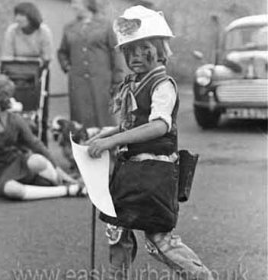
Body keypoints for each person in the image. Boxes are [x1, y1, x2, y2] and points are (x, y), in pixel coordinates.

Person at [87, 6, 213, 280]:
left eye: (142, 49)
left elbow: (158, 126)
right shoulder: (135, 83)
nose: (134, 57)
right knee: (117, 232)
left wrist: (114, 140)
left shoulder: (162, 84)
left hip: (154, 173)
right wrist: (104, 136)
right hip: (128, 172)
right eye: (128, 50)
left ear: (158, 48)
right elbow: (131, 124)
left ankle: (202, 277)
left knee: (159, 239)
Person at [0, 74, 86, 200]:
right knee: (13, 190)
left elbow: (36, 144)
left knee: (37, 160)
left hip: (15, 161)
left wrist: (57, 168)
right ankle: (65, 190)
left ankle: (65, 182)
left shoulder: (15, 120)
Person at [57, 0, 125, 128]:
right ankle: (82, 147)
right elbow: (62, 52)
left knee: (105, 120)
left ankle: (108, 146)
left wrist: (117, 81)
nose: (73, 6)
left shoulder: (106, 25)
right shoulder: (69, 27)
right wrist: (68, 68)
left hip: (101, 82)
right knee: (80, 123)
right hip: (78, 84)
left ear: (87, 3)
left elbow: (116, 53)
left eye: (76, 2)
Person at [2, 2, 54, 146]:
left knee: (40, 109)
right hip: (15, 75)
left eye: (22, 15)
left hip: (38, 75)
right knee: (14, 108)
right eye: (16, 15)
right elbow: (7, 57)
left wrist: (32, 65)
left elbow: (47, 57)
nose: (18, 18)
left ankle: (41, 141)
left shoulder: (44, 31)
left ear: (31, 16)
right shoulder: (11, 31)